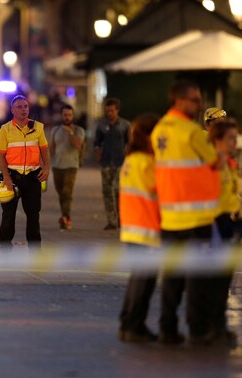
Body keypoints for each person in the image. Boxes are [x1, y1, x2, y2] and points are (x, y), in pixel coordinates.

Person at [152, 79, 223, 345]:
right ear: (179, 101)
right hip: (197, 217)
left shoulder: (160, 129)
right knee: (197, 279)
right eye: (194, 99)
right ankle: (197, 329)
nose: (199, 104)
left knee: (171, 278)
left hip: (170, 217)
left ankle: (167, 329)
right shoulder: (191, 132)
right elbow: (215, 163)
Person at [118, 113, 161, 343]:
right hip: (146, 229)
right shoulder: (145, 162)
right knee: (143, 281)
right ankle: (133, 326)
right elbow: (160, 191)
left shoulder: (132, 160)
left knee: (139, 279)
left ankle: (129, 323)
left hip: (133, 228)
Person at [0, 95, 50, 250]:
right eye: (19, 107)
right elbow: (1, 155)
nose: (23, 109)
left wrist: (46, 168)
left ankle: (35, 249)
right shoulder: (5, 129)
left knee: (33, 215)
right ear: (12, 110)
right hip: (12, 177)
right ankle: (4, 247)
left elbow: (45, 150)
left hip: (33, 177)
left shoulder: (38, 127)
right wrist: (6, 177)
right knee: (8, 215)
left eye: (25, 106)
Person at [208, 118, 242, 345]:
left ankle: (218, 326)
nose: (235, 142)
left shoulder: (229, 163)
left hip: (228, 224)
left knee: (224, 281)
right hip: (213, 225)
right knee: (214, 281)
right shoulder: (210, 163)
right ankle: (209, 328)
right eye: (230, 138)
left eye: (236, 138)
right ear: (217, 140)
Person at [93, 97, 131, 230]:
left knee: (119, 192)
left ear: (117, 110)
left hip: (121, 163)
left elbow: (130, 143)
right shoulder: (102, 125)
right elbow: (96, 143)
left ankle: (122, 219)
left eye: (112, 111)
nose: (110, 113)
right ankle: (111, 221)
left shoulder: (125, 125)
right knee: (107, 193)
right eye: (108, 111)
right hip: (106, 163)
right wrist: (99, 157)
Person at [49, 104, 86, 230]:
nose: (67, 117)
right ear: (61, 115)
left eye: (69, 115)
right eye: (65, 115)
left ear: (73, 116)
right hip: (57, 166)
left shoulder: (79, 131)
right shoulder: (55, 130)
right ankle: (65, 216)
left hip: (71, 165)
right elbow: (51, 149)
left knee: (67, 191)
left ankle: (67, 217)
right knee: (61, 193)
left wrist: (70, 132)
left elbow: (77, 145)